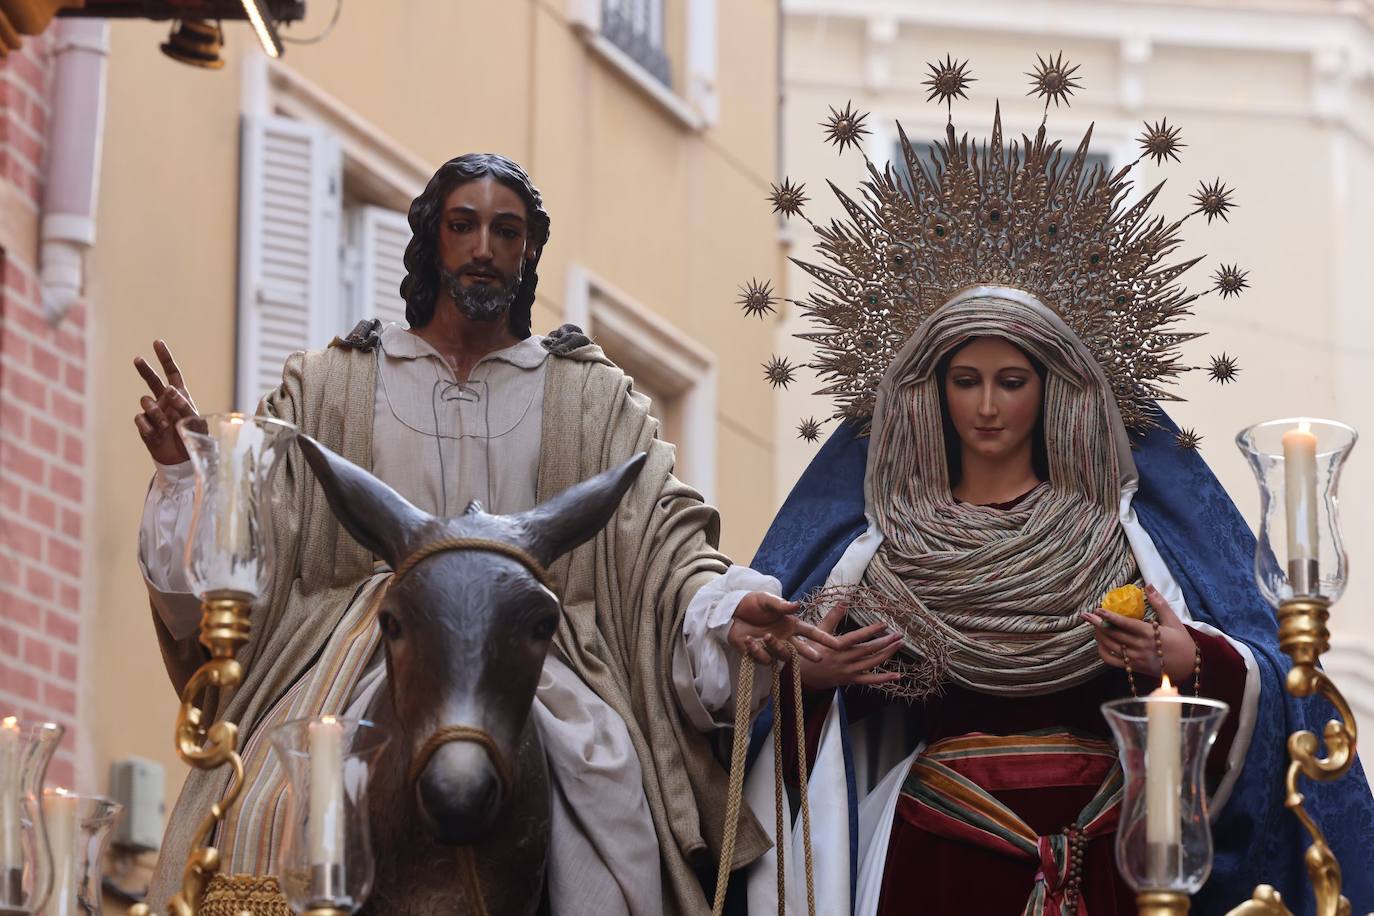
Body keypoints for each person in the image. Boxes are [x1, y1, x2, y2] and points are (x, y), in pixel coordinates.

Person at [690, 55, 1374, 915]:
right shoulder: (881, 558)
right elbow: (799, 745)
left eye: (1011, 381)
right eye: (964, 379)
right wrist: (808, 681)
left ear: (1053, 392)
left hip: (1115, 855)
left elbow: (1255, 689)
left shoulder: (1124, 543)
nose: (986, 406)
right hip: (938, 857)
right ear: (929, 392)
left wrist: (1188, 660)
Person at [132, 153, 835, 915]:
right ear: (432, 238)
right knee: (281, 793)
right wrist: (186, 475)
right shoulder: (332, 384)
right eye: (463, 225)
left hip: (538, 655)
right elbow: (249, 548)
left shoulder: (589, 397)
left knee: (609, 798)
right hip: (361, 652)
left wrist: (725, 612)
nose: (483, 248)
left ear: (529, 250)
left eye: (508, 231)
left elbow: (663, 547)